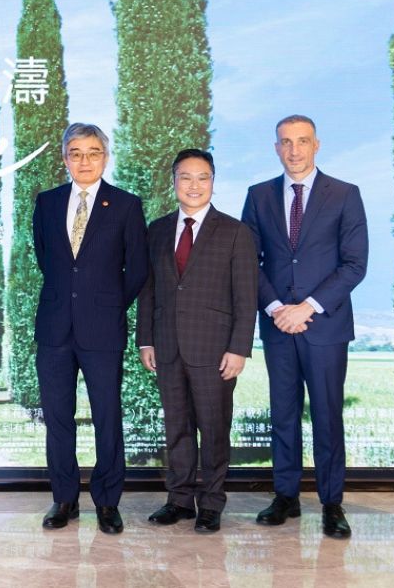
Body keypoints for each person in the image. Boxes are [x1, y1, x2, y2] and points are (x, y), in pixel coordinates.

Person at [241, 115, 367, 539]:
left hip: (325, 326)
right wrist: (277, 307)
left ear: (317, 145)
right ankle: (286, 496)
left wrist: (307, 307)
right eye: (286, 142)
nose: (294, 150)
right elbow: (248, 261)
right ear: (276, 148)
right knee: (283, 413)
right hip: (277, 324)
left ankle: (332, 503)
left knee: (328, 416)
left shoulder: (345, 194)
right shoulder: (258, 196)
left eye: (302, 141)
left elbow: (355, 264)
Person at [31, 122, 147, 535]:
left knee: (107, 416)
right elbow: (47, 259)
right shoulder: (47, 202)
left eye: (93, 152)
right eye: (76, 153)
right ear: (65, 158)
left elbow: (137, 269)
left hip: (103, 329)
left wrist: (107, 304)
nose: (85, 161)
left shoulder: (126, 205)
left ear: (105, 157)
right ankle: (64, 498)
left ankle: (107, 501)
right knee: (58, 416)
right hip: (55, 328)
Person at [137, 149, 258, 533]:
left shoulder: (235, 232)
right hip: (167, 347)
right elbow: (148, 289)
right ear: (174, 182)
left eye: (202, 177)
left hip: (215, 350)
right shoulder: (157, 230)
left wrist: (239, 348)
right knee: (177, 427)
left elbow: (246, 297)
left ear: (213, 182)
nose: (194, 185)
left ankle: (211, 503)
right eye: (185, 177)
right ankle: (178, 500)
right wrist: (145, 340)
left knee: (214, 428)